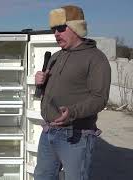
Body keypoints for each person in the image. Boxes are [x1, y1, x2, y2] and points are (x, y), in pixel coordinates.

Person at [34, 5, 111, 180]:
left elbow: (100, 99)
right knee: (42, 176)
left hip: (76, 136)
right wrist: (41, 83)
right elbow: (49, 92)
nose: (56, 34)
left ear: (76, 27)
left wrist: (73, 112)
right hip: (49, 132)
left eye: (61, 28)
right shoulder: (56, 56)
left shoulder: (96, 58)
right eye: (54, 29)